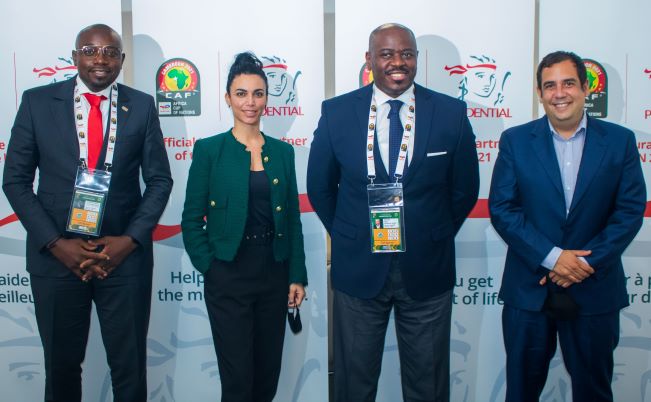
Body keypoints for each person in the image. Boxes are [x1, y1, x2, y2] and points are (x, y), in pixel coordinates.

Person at [307, 23, 479, 401]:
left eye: (407, 54)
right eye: (386, 54)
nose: (397, 62)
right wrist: (349, 233)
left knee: (428, 385)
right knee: (354, 383)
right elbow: (320, 187)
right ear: (369, 60)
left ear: (416, 58)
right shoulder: (337, 113)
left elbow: (465, 189)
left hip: (427, 270)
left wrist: (432, 231)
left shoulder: (451, 113)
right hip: (359, 271)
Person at [2, 24, 173, 401]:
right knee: (61, 369)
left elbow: (160, 181)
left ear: (121, 61)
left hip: (123, 260)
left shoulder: (141, 106)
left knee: (129, 368)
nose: (101, 59)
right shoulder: (37, 102)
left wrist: (128, 242)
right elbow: (14, 180)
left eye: (110, 52)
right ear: (76, 56)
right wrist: (56, 244)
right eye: (90, 50)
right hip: (56, 260)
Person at [489, 51, 646, 402]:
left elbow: (629, 211)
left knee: (594, 392)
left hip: (595, 289)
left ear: (585, 87)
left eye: (568, 83)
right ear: (540, 93)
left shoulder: (619, 142)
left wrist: (584, 263)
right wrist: (552, 257)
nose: (559, 93)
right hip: (529, 291)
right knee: (520, 393)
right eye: (550, 85)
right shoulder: (515, 141)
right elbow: (503, 208)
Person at [181, 52, 307, 402]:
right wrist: (212, 268)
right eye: (241, 93)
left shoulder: (283, 152)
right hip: (229, 274)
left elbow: (292, 219)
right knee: (238, 382)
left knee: (267, 377)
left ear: (266, 97)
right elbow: (191, 219)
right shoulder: (209, 150)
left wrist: (296, 274)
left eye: (257, 93)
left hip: (274, 272)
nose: (250, 102)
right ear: (227, 98)